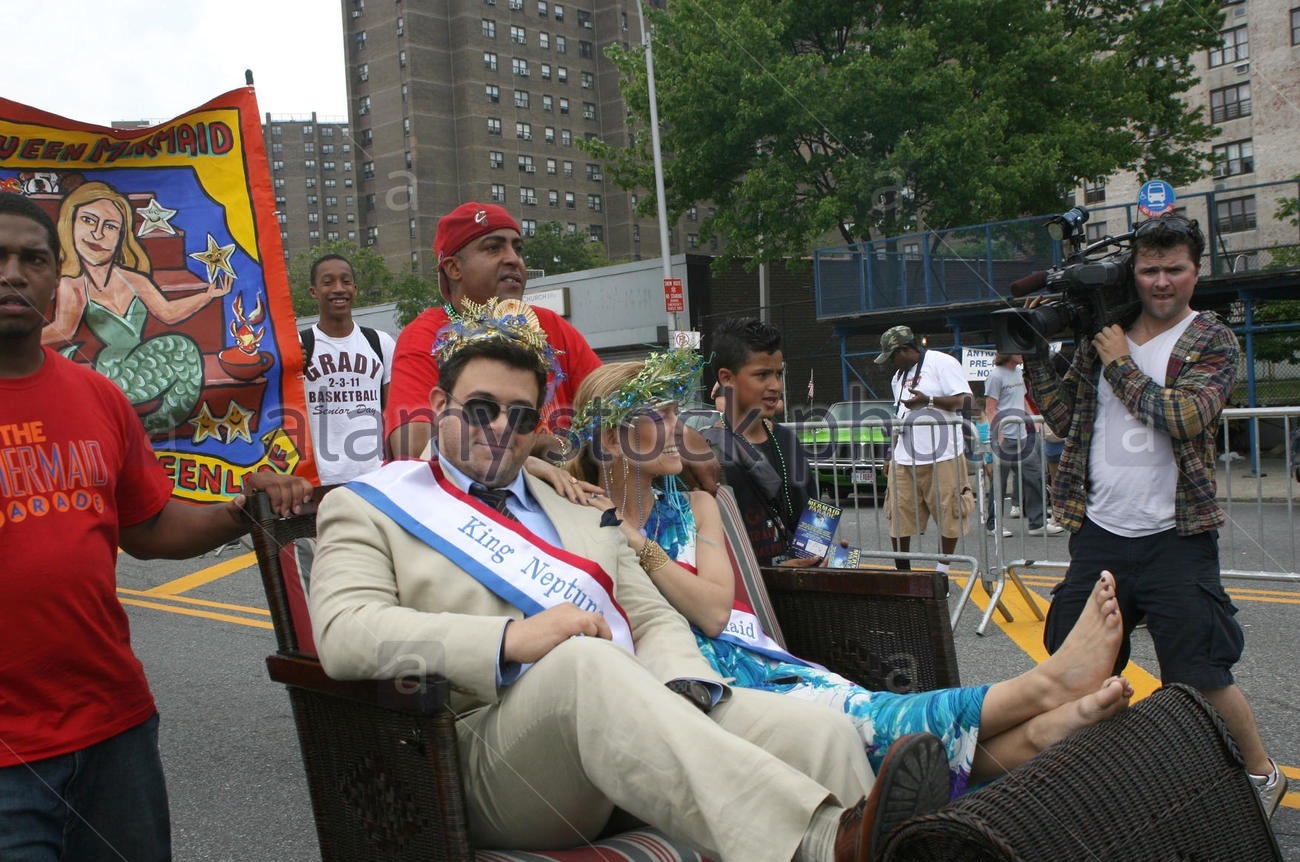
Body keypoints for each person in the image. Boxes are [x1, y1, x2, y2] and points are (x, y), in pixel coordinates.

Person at [307, 297, 954, 862]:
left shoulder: (575, 503)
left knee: (822, 735)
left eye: (522, 416)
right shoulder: (371, 506)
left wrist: (681, 687)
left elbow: (650, 616)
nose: (501, 429)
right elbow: (345, 632)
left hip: (633, 728)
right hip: (488, 759)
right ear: (438, 405)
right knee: (582, 663)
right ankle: (819, 844)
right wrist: (510, 639)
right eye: (481, 409)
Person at [567, 353, 1134, 799]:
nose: (676, 427)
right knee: (864, 721)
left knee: (862, 713)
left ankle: (1042, 704)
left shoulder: (698, 506)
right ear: (613, 439)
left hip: (757, 664)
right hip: (692, 688)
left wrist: (643, 548)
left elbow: (716, 611)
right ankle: (1040, 711)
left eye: (674, 412)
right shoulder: (581, 523)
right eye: (659, 416)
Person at [0, 192, 312, 861]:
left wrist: (241, 511)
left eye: (32, 259)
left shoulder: (98, 397)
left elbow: (147, 526)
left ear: (56, 277)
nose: (14, 273)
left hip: (114, 732)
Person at [1022, 214, 1287, 818]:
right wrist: (1034, 352)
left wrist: (1120, 363)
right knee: (1074, 669)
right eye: (1150, 270)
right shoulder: (1103, 336)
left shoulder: (1211, 338)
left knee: (1201, 675)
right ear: (1133, 273)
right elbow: (1064, 418)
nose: (1162, 282)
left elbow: (1185, 416)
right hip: (1099, 533)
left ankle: (1261, 775)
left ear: (1196, 272)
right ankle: (1098, 782)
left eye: (1175, 269)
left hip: (1176, 536)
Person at [383, 201, 602, 460]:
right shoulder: (425, 336)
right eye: (493, 248)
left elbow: (613, 408)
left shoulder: (550, 325)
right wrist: (533, 450)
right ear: (454, 268)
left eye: (517, 249)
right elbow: (414, 449)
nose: (513, 259)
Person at [42, 180, 232, 435]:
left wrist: (207, 295)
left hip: (141, 359)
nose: (97, 234)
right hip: (112, 369)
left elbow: (168, 313)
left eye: (110, 226)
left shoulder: (134, 279)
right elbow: (63, 329)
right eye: (88, 220)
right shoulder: (72, 284)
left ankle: (155, 426)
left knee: (183, 347)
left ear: (121, 236)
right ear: (70, 225)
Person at [699, 317, 819, 567]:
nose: (775, 385)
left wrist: (822, 557)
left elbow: (813, 515)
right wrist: (775, 572)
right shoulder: (707, 453)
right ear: (727, 378)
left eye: (779, 374)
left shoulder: (787, 439)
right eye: (762, 375)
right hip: (747, 588)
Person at [877, 325, 974, 573]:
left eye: (892, 357)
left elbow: (967, 401)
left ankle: (942, 572)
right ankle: (903, 573)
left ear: (905, 349)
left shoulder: (942, 363)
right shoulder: (897, 378)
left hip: (943, 456)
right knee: (898, 517)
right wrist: (890, 453)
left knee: (949, 515)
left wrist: (929, 401)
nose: (891, 364)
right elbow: (900, 417)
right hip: (904, 459)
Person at [299, 253, 397, 485]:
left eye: (346, 281)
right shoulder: (300, 345)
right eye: (328, 282)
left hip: (374, 476)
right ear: (313, 291)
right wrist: (291, 368)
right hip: (320, 479)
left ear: (355, 289)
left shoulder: (380, 342)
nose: (338, 289)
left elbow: (394, 412)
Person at [983, 353, 1062, 538]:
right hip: (1005, 437)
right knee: (999, 482)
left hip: (1022, 435)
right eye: (1018, 351)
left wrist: (1032, 420)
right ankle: (993, 524)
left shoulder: (1018, 372)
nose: (1022, 355)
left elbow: (1023, 399)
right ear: (1008, 353)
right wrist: (998, 431)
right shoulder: (995, 376)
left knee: (1035, 476)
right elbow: (990, 408)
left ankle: (1037, 523)